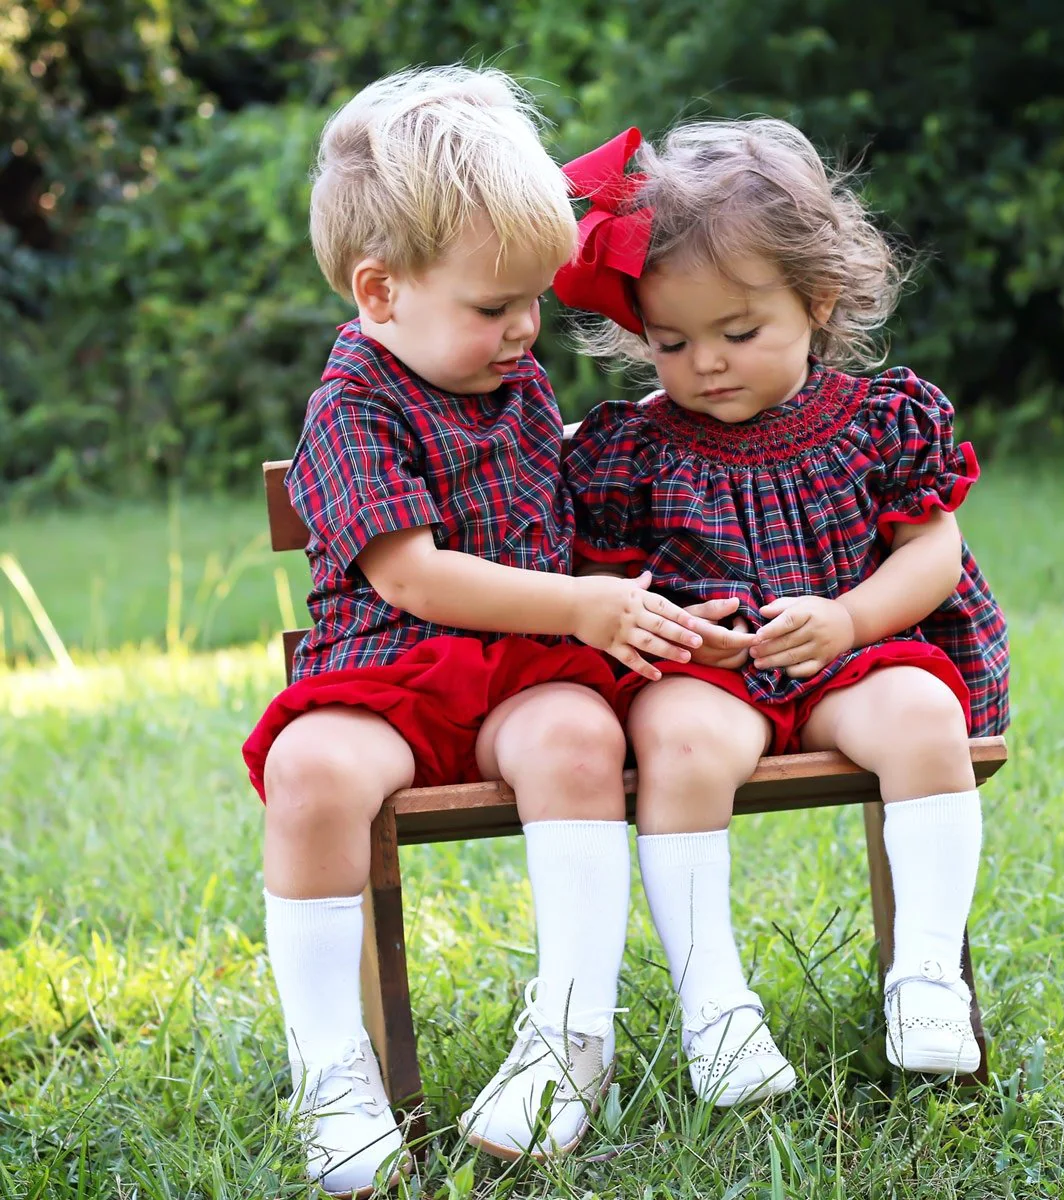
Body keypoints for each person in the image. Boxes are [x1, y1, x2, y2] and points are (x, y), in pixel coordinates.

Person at [241, 71, 744, 1192]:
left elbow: (580, 517)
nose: (525, 329)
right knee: (310, 772)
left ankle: (572, 1034)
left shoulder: (513, 381)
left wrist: (655, 604)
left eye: (531, 301)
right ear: (379, 294)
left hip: (525, 674)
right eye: (492, 307)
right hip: (388, 673)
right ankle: (332, 1065)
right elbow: (412, 579)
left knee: (578, 741)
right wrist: (579, 605)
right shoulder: (353, 405)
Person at [554, 121, 1010, 1099]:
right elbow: (602, 583)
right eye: (672, 342)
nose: (706, 363)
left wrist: (850, 620)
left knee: (926, 714)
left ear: (817, 301)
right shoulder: (633, 450)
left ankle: (925, 976)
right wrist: (679, 635)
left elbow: (932, 550)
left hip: (848, 659)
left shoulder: (880, 419)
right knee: (677, 743)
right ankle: (715, 1010)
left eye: (738, 332)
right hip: (705, 675)